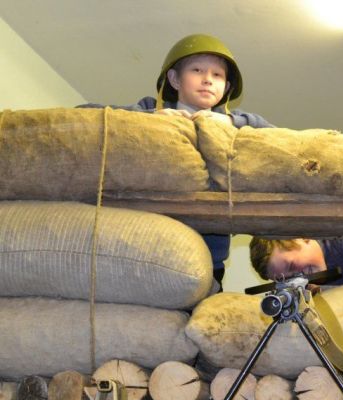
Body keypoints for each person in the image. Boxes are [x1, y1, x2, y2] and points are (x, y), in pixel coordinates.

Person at [81, 34, 274, 289]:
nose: (208, 79)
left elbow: (275, 135)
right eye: (197, 70)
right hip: (150, 239)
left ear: (226, 88)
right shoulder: (150, 108)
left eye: (217, 75)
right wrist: (153, 117)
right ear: (174, 79)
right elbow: (84, 114)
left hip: (208, 254)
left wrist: (230, 122)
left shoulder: (234, 122)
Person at [249, 237, 343, 285]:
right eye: (287, 280)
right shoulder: (318, 282)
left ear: (300, 238)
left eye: (292, 265)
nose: (298, 277)